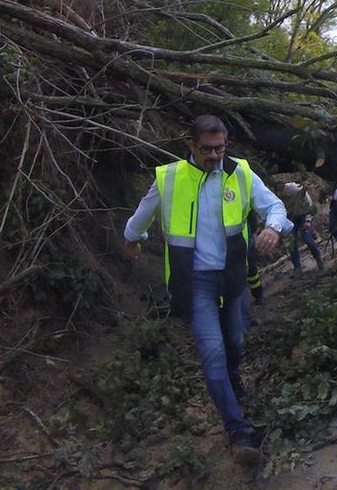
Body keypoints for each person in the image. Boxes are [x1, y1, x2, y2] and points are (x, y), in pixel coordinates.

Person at [122, 115, 291, 466]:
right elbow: (140, 218)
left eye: (220, 148)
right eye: (207, 149)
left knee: (235, 343)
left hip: (232, 278)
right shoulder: (169, 178)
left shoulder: (240, 172)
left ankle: (233, 381)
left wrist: (274, 228)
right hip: (195, 282)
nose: (215, 156)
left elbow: (275, 206)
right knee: (212, 353)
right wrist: (133, 239)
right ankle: (238, 432)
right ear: (192, 147)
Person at [281, 182, 325, 275]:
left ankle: (319, 260)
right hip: (291, 217)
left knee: (307, 239)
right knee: (291, 242)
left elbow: (310, 206)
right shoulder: (281, 194)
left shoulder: (299, 190)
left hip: (303, 215)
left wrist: (308, 220)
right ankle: (297, 267)